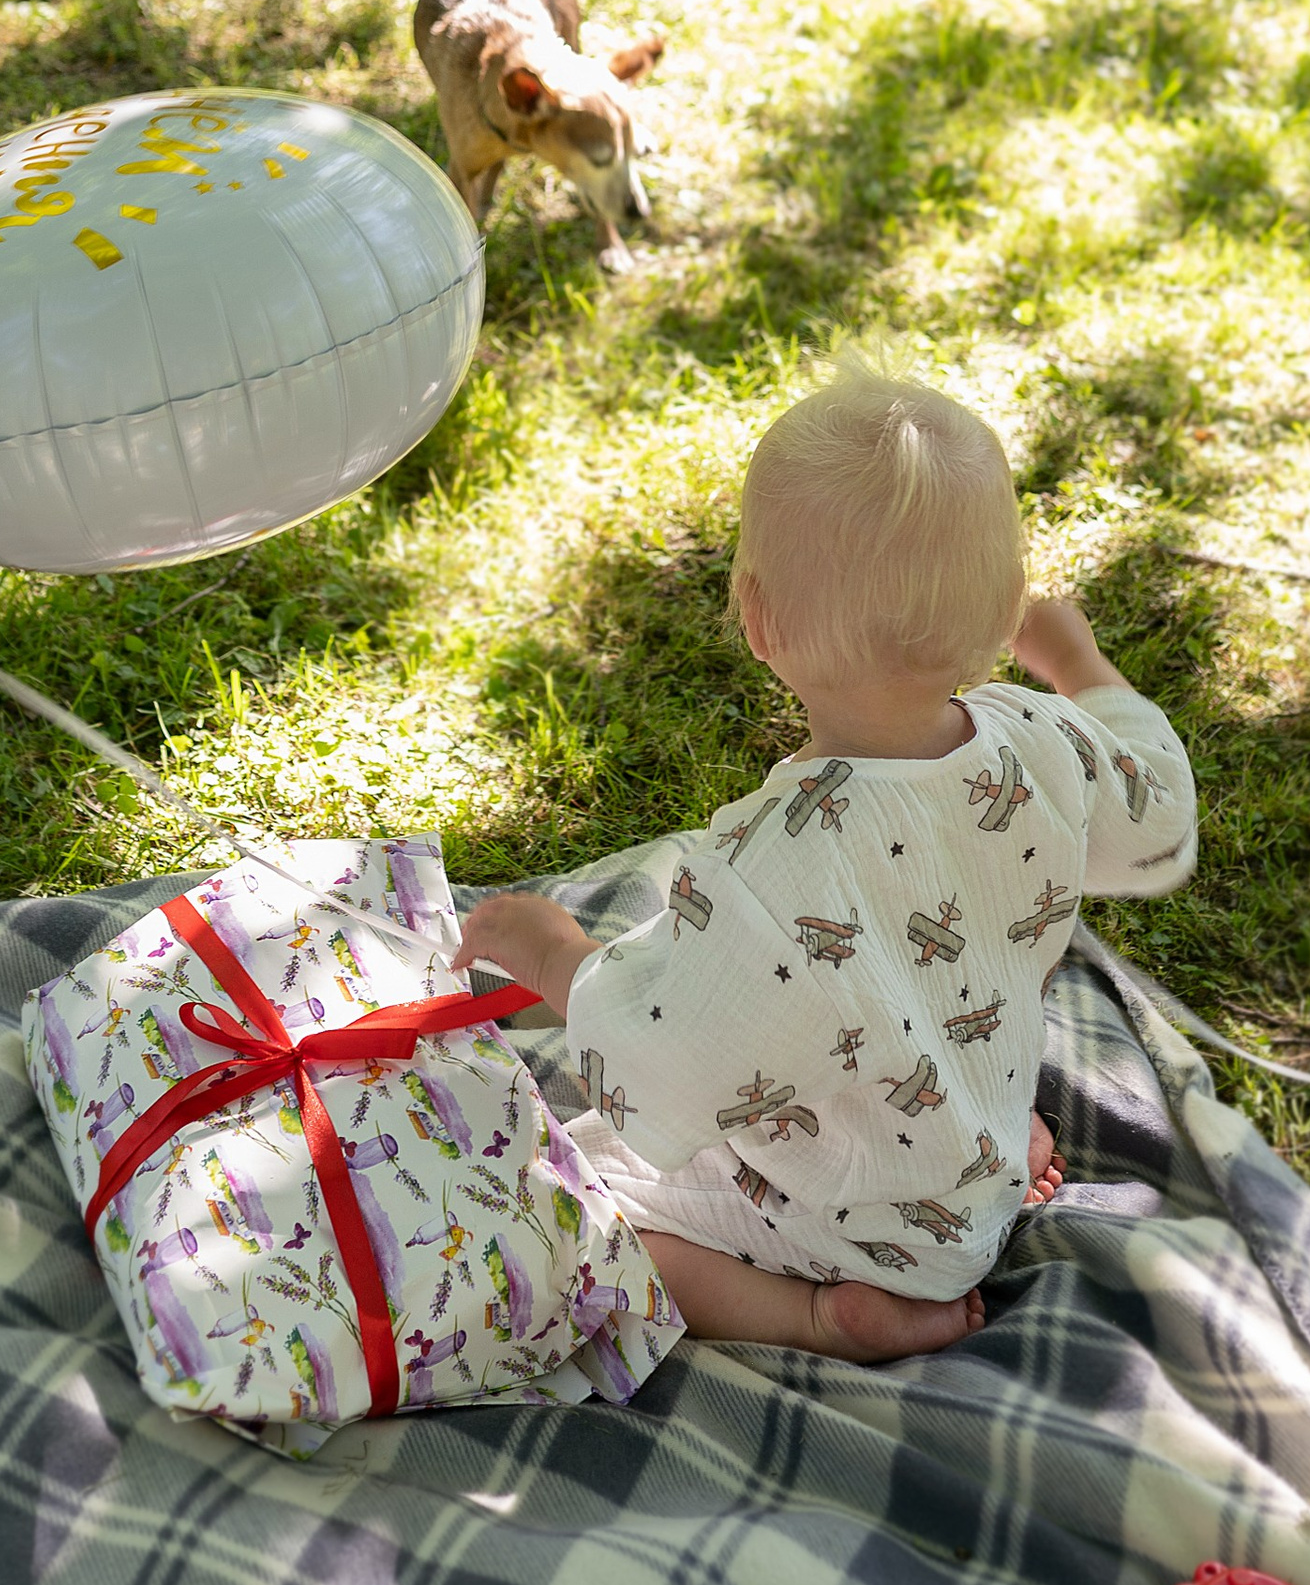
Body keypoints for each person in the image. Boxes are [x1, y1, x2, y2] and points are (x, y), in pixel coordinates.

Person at [461, 361, 1197, 1365]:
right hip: (972, 1163)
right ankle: (978, 1171)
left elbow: (657, 1062)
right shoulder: (1045, 745)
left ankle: (818, 1320)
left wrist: (555, 955)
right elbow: (1156, 816)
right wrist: (1078, 667)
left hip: (849, 1227)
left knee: (573, 1205)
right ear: (1001, 619)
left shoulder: (772, 873)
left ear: (757, 620)